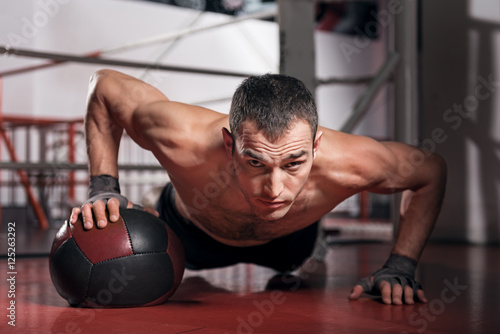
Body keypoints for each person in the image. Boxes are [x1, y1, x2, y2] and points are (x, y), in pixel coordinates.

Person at [70, 69, 447, 305]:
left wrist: (401, 265)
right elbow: (104, 86)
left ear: (316, 146)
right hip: (187, 236)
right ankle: (157, 199)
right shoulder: (181, 135)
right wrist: (104, 187)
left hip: (292, 246)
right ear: (229, 144)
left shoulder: (353, 162)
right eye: (256, 163)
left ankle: (313, 243)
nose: (274, 188)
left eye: (294, 163)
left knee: (302, 262)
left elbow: (430, 171)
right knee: (156, 210)